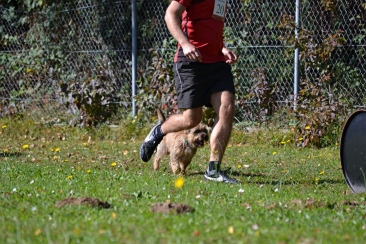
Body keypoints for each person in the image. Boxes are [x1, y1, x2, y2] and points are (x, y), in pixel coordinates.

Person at [140, 0, 239, 184]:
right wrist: (184, 43)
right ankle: (159, 131)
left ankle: (213, 169)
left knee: (227, 107)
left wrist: (222, 48)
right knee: (191, 119)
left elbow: (212, 26)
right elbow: (170, 14)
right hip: (190, 62)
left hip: (217, 62)